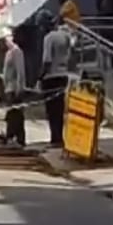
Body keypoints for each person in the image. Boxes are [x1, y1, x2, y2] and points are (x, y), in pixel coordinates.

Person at [40, 18, 74, 146]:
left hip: (51, 77)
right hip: (63, 75)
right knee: (59, 109)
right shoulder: (66, 37)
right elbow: (71, 56)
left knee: (51, 109)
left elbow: (47, 60)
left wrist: (40, 76)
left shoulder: (48, 38)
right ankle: (60, 137)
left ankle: (55, 138)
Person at [0, 26, 27, 147]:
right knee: (12, 114)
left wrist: (20, 87)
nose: (5, 42)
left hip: (14, 87)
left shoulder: (17, 52)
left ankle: (17, 137)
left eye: (6, 39)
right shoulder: (8, 53)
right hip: (8, 88)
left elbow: (20, 71)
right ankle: (12, 136)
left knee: (16, 114)